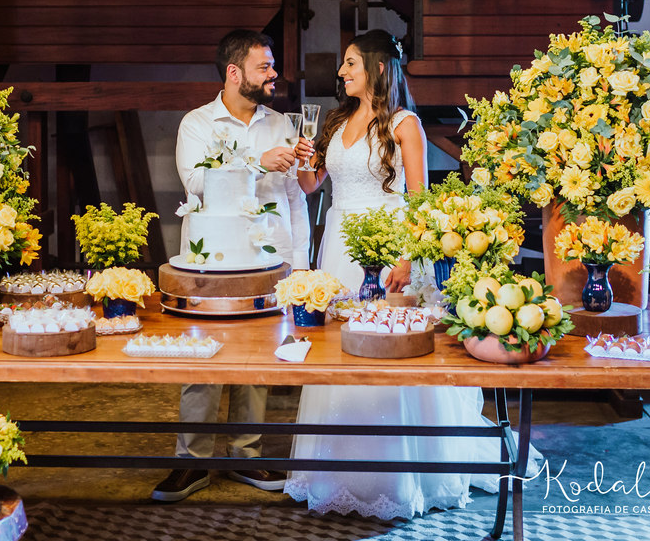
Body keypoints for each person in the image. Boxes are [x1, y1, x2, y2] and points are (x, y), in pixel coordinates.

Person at [285, 29, 497, 520]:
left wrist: (406, 259)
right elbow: (314, 186)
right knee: (339, 349)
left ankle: (400, 472)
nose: (342, 73)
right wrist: (303, 163)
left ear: (379, 68)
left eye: (351, 64)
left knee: (389, 347)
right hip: (339, 244)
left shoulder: (405, 125)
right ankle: (336, 470)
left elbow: (419, 201)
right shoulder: (337, 120)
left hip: (391, 243)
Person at [151, 29, 311, 503]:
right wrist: (257, 162)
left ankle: (247, 452)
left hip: (270, 257)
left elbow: (298, 197)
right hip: (212, 262)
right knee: (202, 356)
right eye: (264, 67)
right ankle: (191, 462)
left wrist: (299, 258)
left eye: (272, 65)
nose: (274, 74)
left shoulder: (282, 122)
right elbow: (197, 182)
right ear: (234, 72)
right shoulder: (197, 123)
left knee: (261, 358)